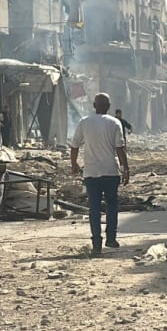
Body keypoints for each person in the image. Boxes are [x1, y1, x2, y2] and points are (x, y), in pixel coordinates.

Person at [71, 93, 130, 256]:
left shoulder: (84, 122)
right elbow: (120, 149)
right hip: (111, 171)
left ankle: (96, 243)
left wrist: (74, 163)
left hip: (91, 172)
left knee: (94, 208)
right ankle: (111, 238)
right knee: (112, 205)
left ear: (94, 105)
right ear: (109, 106)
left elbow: (74, 145)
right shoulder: (115, 122)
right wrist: (126, 169)